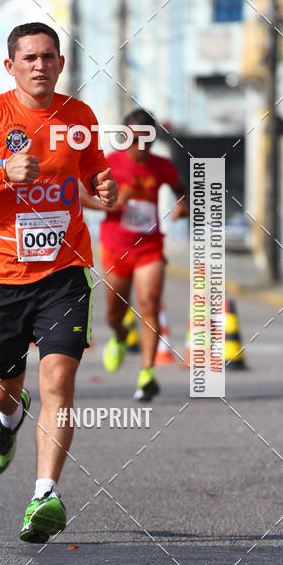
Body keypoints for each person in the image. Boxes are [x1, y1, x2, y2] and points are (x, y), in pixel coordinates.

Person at [0, 22, 117, 543]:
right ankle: (8, 419)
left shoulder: (80, 117)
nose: (40, 65)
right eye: (29, 58)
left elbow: (95, 178)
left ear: (61, 64)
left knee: (59, 380)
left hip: (65, 273)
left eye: (48, 56)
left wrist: (104, 188)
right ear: (10, 66)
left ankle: (44, 495)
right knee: (3, 388)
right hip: (3, 277)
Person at [80, 109, 188, 401]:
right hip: (116, 247)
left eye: (146, 140)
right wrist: (108, 205)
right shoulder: (109, 164)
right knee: (115, 312)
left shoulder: (161, 166)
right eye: (132, 139)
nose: (139, 146)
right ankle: (119, 334)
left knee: (149, 305)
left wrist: (183, 204)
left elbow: (180, 188)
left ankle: (147, 375)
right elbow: (80, 195)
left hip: (150, 248)